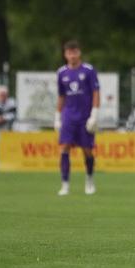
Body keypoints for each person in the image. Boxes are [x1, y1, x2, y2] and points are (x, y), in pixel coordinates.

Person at [55, 40, 100, 196]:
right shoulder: (61, 73)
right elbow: (61, 95)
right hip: (68, 116)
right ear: (65, 54)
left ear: (79, 53)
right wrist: (57, 116)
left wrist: (94, 114)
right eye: (69, 52)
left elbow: (95, 92)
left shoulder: (88, 70)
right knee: (64, 148)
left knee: (87, 150)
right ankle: (65, 184)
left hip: (85, 116)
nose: (72, 55)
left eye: (74, 52)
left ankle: (89, 179)